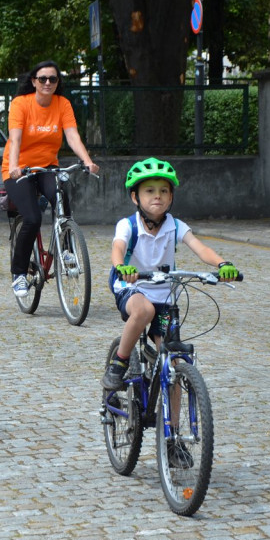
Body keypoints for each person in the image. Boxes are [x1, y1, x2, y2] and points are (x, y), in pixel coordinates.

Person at [102, 158, 239, 465]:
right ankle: (119, 361)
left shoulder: (176, 226)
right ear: (135, 197)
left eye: (164, 191)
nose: (158, 196)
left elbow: (199, 247)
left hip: (166, 296)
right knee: (144, 310)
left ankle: (173, 439)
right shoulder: (128, 225)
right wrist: (121, 266)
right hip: (132, 289)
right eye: (149, 190)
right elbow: (117, 247)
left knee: (174, 363)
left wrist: (221, 264)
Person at [2, 60, 99, 298]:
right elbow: (14, 139)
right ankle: (18, 273)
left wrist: (87, 160)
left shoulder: (62, 104)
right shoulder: (21, 104)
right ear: (34, 81)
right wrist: (14, 166)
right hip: (19, 169)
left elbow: (72, 136)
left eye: (53, 79)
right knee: (33, 218)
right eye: (43, 78)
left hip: (47, 167)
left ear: (58, 83)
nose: (47, 83)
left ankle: (67, 250)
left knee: (62, 200)